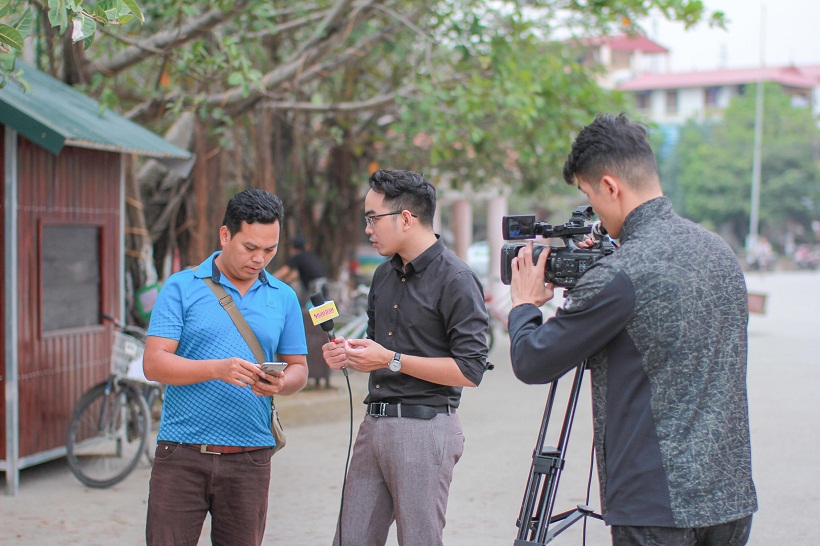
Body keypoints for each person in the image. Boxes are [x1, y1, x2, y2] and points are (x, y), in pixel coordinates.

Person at [507, 113, 757, 546]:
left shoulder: (620, 274)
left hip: (656, 506)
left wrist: (525, 305)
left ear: (609, 186)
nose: (593, 213)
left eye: (588, 196)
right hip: (730, 497)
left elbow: (532, 361)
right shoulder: (720, 253)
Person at [321, 169, 490, 546]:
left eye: (372, 218)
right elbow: (375, 349)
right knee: (350, 539)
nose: (367, 228)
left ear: (406, 218)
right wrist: (347, 354)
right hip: (374, 425)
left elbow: (471, 369)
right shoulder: (382, 277)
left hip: (425, 427)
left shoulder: (457, 279)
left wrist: (391, 359)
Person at [143, 188, 309, 545]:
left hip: (251, 457)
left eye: (270, 250)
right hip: (181, 453)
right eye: (250, 248)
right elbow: (154, 364)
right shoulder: (181, 287)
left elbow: (299, 369)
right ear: (225, 235)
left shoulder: (283, 296)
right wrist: (216, 369)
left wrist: (280, 385)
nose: (260, 258)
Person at [274, 233, 328, 301]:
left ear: (293, 248)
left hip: (315, 287)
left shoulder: (298, 256)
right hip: (324, 284)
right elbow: (297, 274)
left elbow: (284, 271)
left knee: (313, 306)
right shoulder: (310, 255)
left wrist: (271, 278)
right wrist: (287, 280)